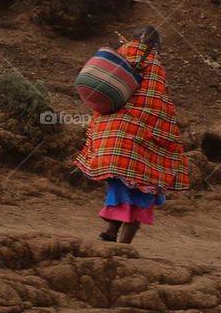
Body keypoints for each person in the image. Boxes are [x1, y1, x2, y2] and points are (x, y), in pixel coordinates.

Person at [74, 24, 190, 245]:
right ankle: (124, 245)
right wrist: (167, 136)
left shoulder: (118, 54)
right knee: (144, 194)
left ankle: (110, 232)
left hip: (113, 134)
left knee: (120, 186)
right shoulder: (155, 66)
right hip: (142, 137)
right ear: (155, 45)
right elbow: (157, 105)